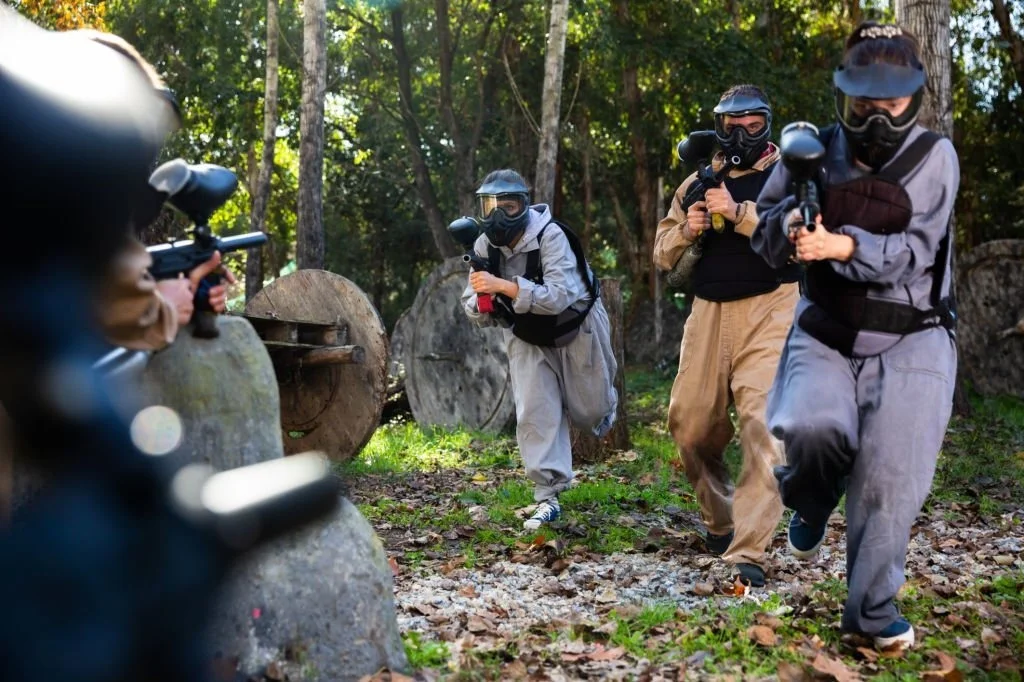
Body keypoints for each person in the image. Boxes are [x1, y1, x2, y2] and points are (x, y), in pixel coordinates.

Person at [751, 21, 959, 650]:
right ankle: (812, 501)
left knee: (888, 478)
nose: (877, 119)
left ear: (914, 98)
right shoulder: (810, 150)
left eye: (890, 104)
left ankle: (870, 614)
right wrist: (790, 226)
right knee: (812, 429)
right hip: (827, 326)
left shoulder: (935, 158)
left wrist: (841, 245)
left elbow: (917, 253)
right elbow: (764, 236)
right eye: (864, 105)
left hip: (914, 332)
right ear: (844, 96)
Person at [652, 85, 801, 587]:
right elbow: (661, 253)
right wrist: (689, 229)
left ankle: (748, 552)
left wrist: (739, 213)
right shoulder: (697, 181)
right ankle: (721, 521)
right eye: (732, 124)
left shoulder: (790, 175)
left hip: (772, 308)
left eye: (753, 124)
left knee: (764, 424)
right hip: (709, 312)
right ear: (718, 126)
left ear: (767, 124)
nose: (742, 134)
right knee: (690, 425)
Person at [461, 169, 618, 531]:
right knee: (535, 411)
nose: (498, 216)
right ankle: (548, 496)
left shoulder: (552, 235)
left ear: (524, 206)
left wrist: (504, 286)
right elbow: (470, 301)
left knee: (590, 411)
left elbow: (559, 296)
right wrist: (483, 304)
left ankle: (603, 406)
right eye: (490, 207)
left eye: (509, 206)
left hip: (576, 325)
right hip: (526, 334)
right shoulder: (483, 246)